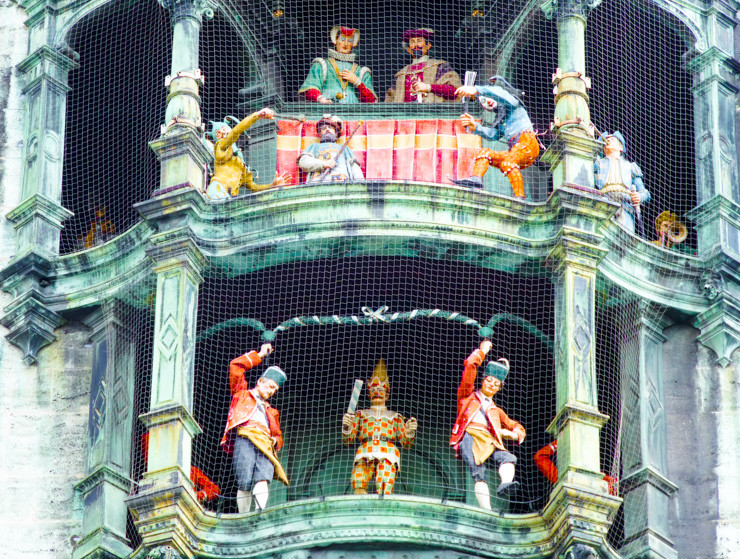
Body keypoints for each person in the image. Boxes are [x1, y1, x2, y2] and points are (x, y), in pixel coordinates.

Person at [450, 340, 525, 508]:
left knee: (508, 457)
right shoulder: (467, 396)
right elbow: (470, 365)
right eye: (490, 381)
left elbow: (517, 427)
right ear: (483, 380)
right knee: (478, 473)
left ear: (499, 389)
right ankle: (487, 510)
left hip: (490, 441)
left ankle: (505, 483)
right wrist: (482, 351)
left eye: (497, 384)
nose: (492, 385)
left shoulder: (496, 410)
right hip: (471, 436)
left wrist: (512, 434)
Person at [220, 343, 289, 512]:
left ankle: (260, 512)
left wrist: (275, 440)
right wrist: (260, 354)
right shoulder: (242, 394)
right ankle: (244, 515)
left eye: (276, 390)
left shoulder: (272, 411)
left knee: (263, 477)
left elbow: (278, 435)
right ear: (260, 382)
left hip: (265, 442)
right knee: (244, 480)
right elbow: (235, 366)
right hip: (245, 435)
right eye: (271, 386)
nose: (273, 391)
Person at [453, 76, 540, 198]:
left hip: (527, 142)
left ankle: (520, 198)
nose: (487, 101)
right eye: (482, 101)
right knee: (485, 153)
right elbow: (493, 135)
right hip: (516, 150)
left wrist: (476, 90)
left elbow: (500, 94)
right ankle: (476, 179)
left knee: (508, 163)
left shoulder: (512, 103)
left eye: (487, 97)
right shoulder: (500, 119)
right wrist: (475, 126)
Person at [342, 359, 417, 495]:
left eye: (380, 390)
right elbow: (348, 439)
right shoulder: (361, 414)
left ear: (387, 394)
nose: (377, 392)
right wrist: (347, 427)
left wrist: (409, 431)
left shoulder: (395, 416)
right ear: (369, 393)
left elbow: (405, 443)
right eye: (373, 390)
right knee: (358, 482)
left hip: (388, 451)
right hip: (365, 449)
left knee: (385, 484)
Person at [206, 108, 292, 200]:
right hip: (217, 191)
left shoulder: (240, 165)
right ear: (218, 134)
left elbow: (254, 188)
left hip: (229, 197)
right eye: (224, 129)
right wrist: (257, 115)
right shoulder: (221, 146)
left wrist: (272, 185)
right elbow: (236, 131)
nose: (229, 131)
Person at [299, 26, 378, 104]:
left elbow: (371, 101)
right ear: (335, 40)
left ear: (353, 44)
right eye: (342, 39)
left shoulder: (361, 71)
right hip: (328, 110)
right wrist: (322, 99)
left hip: (353, 111)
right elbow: (310, 90)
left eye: (350, 40)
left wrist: (357, 82)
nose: (346, 44)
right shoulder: (322, 65)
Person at [594, 131, 650, 234]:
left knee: (625, 237)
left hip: (625, 204)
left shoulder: (630, 166)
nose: (608, 140)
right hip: (604, 202)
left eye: (612, 139)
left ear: (620, 147)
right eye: (606, 139)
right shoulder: (598, 163)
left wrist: (639, 197)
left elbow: (645, 193)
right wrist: (597, 146)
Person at [140, 432, 221, 504]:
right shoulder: (156, 469)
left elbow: (215, 489)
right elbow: (147, 444)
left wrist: (198, 495)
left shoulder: (191, 470)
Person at [385, 28, 462, 103]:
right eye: (412, 42)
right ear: (408, 49)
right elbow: (390, 99)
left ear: (428, 45)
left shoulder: (440, 66)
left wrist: (429, 87)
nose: (416, 45)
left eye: (419, 41)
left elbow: (454, 90)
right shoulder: (401, 75)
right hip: (404, 114)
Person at [533, 440, 618, 496]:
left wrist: (561, 441)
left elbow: (615, 483)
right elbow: (539, 457)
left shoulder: (563, 480)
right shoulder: (563, 479)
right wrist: (562, 440)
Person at [297, 114, 364, 183]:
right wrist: (323, 164)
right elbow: (303, 162)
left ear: (336, 133)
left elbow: (354, 167)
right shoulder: (314, 147)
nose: (327, 129)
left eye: (330, 127)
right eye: (323, 128)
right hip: (318, 185)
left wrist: (361, 185)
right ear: (320, 133)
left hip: (343, 185)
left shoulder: (344, 148)